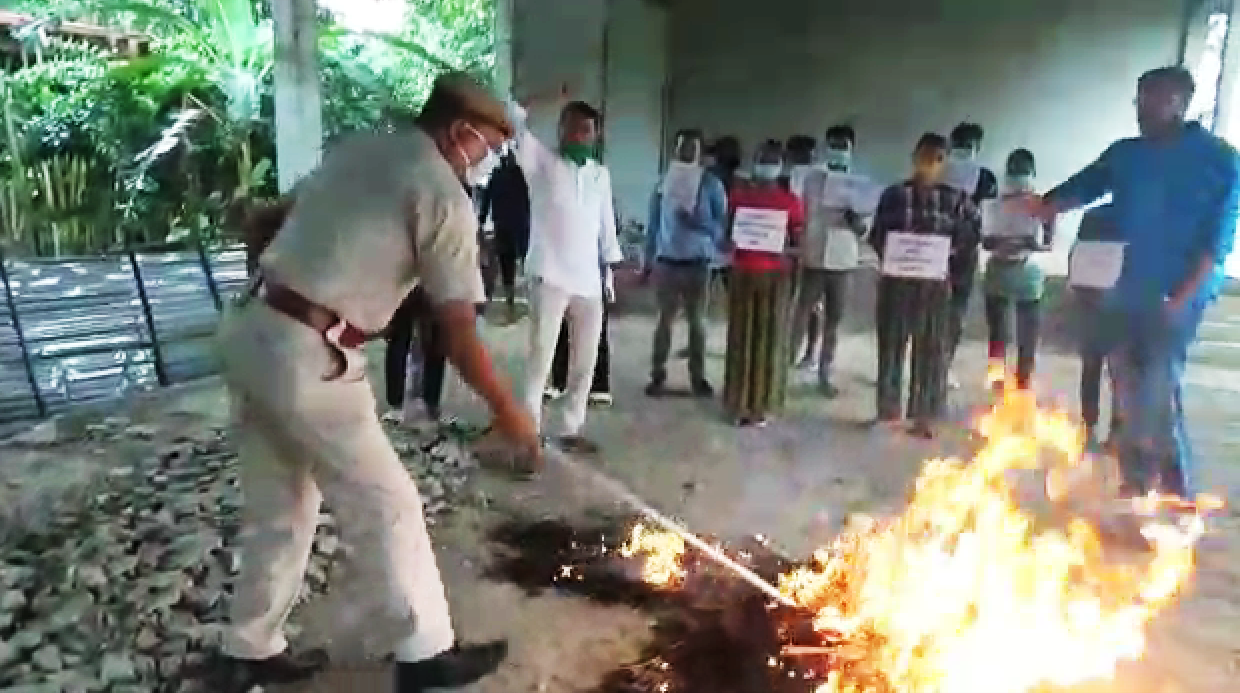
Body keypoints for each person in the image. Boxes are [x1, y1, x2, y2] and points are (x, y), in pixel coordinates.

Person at [211, 72, 538, 692]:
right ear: (459, 131)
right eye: (488, 148)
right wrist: (509, 411)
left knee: (281, 503)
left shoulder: (363, 147)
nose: (489, 161)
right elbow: (458, 333)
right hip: (309, 354)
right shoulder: (442, 194)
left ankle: (248, 650)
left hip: (251, 328)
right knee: (388, 503)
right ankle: (425, 656)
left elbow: (268, 223)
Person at [1031, 65, 1240, 497]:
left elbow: (1217, 243)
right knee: (1125, 387)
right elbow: (1085, 186)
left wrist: (1178, 301)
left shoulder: (1220, 160)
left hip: (1178, 296)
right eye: (1139, 98)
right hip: (1124, 289)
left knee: (1159, 388)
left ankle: (1175, 493)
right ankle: (1135, 485)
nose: (1142, 108)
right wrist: (1045, 205)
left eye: (1153, 99)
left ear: (1181, 103)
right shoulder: (1127, 154)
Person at [510, 86, 624, 454]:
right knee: (540, 356)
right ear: (560, 130)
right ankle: (529, 429)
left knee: (585, 361)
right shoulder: (541, 163)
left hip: (589, 281)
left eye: (586, 130)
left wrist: (611, 274)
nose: (579, 135)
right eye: (572, 128)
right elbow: (511, 117)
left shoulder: (599, 175)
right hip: (549, 275)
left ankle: (571, 428)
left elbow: (606, 228)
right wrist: (549, 95)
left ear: (596, 136)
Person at [870, 133, 982, 439]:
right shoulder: (893, 194)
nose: (929, 163)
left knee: (931, 351)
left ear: (945, 163)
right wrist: (899, 258)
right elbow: (877, 235)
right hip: (896, 283)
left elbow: (972, 238)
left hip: (935, 287)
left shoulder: (958, 200)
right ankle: (888, 413)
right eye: (924, 156)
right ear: (914, 156)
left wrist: (948, 256)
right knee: (891, 347)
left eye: (937, 158)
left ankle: (923, 417)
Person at [723, 139, 805, 426]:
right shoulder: (737, 196)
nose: (767, 165)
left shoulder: (791, 201)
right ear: (753, 162)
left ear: (782, 165)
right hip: (742, 273)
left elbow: (798, 242)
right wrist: (728, 243)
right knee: (740, 340)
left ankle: (761, 406)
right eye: (762, 158)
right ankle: (738, 405)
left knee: (768, 341)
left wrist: (788, 252)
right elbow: (726, 233)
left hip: (775, 276)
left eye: (772, 160)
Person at [645, 128, 728, 397]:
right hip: (667, 261)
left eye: (693, 147)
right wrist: (648, 261)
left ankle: (698, 377)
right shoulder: (663, 182)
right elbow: (654, 224)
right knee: (664, 321)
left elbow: (722, 228)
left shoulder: (712, 185)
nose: (687, 152)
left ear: (701, 153)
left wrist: (699, 223)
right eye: (682, 147)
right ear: (675, 150)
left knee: (697, 323)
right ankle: (657, 374)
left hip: (698, 263)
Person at [791, 125, 868, 396]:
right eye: (834, 144)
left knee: (834, 319)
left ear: (851, 150)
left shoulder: (860, 183)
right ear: (826, 146)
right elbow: (798, 211)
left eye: (843, 145)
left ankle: (825, 373)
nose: (839, 150)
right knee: (800, 313)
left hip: (844, 259)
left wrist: (854, 218)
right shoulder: (810, 178)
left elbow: (863, 230)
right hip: (813, 254)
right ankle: (784, 367)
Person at [981, 148, 1053, 391]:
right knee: (1020, 333)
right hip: (1023, 271)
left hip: (1011, 270)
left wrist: (1008, 242)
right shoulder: (1040, 203)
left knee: (1001, 332)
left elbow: (987, 241)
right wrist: (1026, 243)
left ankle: (1007, 380)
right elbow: (1047, 243)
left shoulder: (997, 204)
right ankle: (1018, 380)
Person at [945, 122, 1000, 388]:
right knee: (939, 308)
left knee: (954, 310)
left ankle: (943, 365)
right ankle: (932, 364)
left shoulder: (985, 178)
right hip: (939, 250)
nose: (965, 150)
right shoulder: (937, 171)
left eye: (969, 146)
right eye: (961, 145)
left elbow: (990, 216)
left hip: (962, 251)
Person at [1073, 204, 1124, 451]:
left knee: (1091, 369)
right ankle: (1116, 433)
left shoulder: (1092, 216)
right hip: (1120, 306)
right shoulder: (1139, 216)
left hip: (1091, 303)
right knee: (1119, 373)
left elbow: (1078, 255)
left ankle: (1088, 429)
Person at [548, 261, 615, 405]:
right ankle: (559, 380)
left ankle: (599, 385)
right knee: (559, 326)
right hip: (560, 272)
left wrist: (608, 281)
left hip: (593, 275)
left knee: (596, 332)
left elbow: (606, 245)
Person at [479, 147, 531, 323]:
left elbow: (486, 200)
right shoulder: (521, 176)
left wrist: (481, 219)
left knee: (509, 264)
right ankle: (517, 302)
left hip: (506, 225)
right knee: (521, 262)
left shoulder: (501, 175)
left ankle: (511, 303)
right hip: (517, 225)